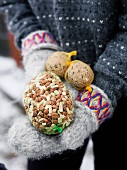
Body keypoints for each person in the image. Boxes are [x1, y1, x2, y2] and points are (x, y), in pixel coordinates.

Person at [0, 0, 127, 170]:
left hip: (120, 82)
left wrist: (107, 84)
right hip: (53, 85)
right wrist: (38, 45)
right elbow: (13, 3)